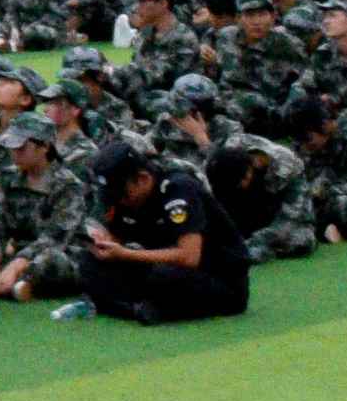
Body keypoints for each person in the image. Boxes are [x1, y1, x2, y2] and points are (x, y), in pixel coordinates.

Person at [63, 139, 245, 326]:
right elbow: (117, 237)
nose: (119, 201)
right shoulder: (125, 199)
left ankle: (129, 307)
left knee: (161, 275)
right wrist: (104, 244)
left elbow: (189, 257)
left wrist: (125, 253)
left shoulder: (177, 189)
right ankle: (137, 309)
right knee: (89, 263)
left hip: (217, 279)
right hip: (162, 267)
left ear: (143, 179)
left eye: (122, 195)